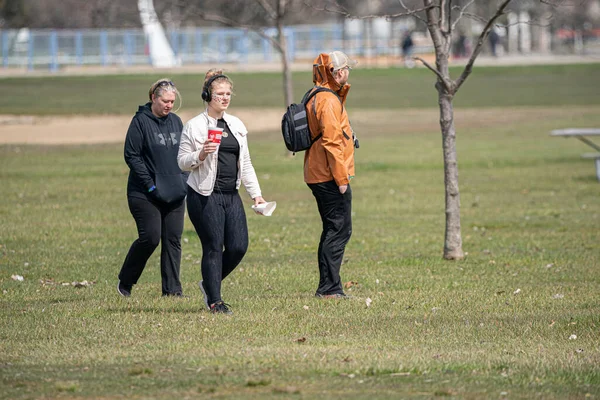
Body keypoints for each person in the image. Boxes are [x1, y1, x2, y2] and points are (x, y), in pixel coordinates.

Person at [177, 69, 267, 314]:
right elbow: (182, 161)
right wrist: (201, 153)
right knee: (214, 246)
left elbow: (245, 163)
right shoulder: (194, 126)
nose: (225, 98)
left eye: (228, 94)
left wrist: (256, 195)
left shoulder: (236, 124)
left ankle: (208, 283)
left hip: (230, 194)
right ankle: (215, 301)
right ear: (208, 95)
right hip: (204, 195)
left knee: (238, 246)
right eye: (219, 94)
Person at [118, 79, 188, 297]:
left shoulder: (176, 121)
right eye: (165, 101)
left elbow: (185, 153)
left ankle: (172, 291)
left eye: (172, 101)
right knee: (150, 237)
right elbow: (132, 156)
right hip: (145, 193)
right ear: (153, 98)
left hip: (175, 191)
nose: (169, 105)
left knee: (173, 240)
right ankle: (126, 282)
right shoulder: (140, 122)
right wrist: (150, 185)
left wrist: (184, 180)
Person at [304, 51, 358, 299]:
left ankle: (328, 286)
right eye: (343, 69)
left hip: (319, 172)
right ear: (334, 73)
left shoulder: (322, 95)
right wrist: (342, 178)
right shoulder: (327, 100)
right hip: (328, 175)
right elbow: (332, 142)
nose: (346, 73)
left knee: (332, 229)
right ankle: (329, 289)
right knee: (339, 229)